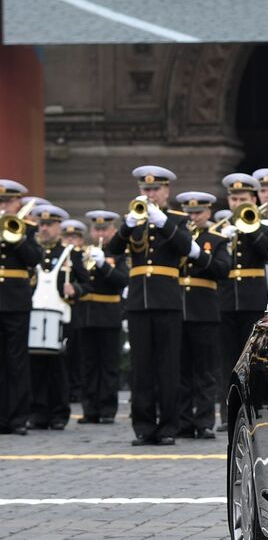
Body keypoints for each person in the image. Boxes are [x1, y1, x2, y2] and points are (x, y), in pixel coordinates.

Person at [104, 166, 190, 446]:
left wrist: (162, 221)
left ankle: (167, 427)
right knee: (141, 368)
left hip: (167, 301)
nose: (150, 194)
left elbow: (186, 247)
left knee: (168, 366)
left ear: (166, 191)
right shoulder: (134, 220)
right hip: (139, 302)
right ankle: (143, 426)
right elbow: (112, 251)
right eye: (145, 189)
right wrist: (126, 226)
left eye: (155, 189)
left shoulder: (177, 219)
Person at [217, 172, 268, 432]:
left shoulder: (261, 225)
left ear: (253, 199)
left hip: (252, 299)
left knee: (252, 360)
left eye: (242, 198)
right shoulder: (220, 227)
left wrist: (250, 230)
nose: (237, 203)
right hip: (226, 301)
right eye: (233, 198)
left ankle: (252, 412)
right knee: (226, 360)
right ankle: (225, 413)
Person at [176, 192, 231, 440]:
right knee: (181, 371)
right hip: (178, 308)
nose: (193, 217)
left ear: (208, 213)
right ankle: (184, 421)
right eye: (189, 213)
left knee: (206, 371)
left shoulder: (216, 239)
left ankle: (205, 421)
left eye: (198, 213)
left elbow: (222, 270)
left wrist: (200, 255)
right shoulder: (176, 238)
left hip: (204, 310)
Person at [74, 210, 126, 425]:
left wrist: (104, 264)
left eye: (104, 229)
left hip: (109, 315)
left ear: (113, 230)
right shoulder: (82, 253)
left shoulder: (119, 254)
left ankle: (107, 409)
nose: (100, 233)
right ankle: (90, 409)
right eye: (96, 229)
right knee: (88, 364)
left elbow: (122, 281)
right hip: (87, 315)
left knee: (108, 365)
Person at [27, 205, 73, 431]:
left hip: (58, 316)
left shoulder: (67, 253)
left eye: (49, 225)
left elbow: (84, 282)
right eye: (41, 224)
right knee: (35, 367)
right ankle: (38, 412)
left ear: (58, 227)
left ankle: (58, 413)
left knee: (58, 368)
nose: (44, 229)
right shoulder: (32, 251)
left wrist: (75, 288)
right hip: (35, 315)